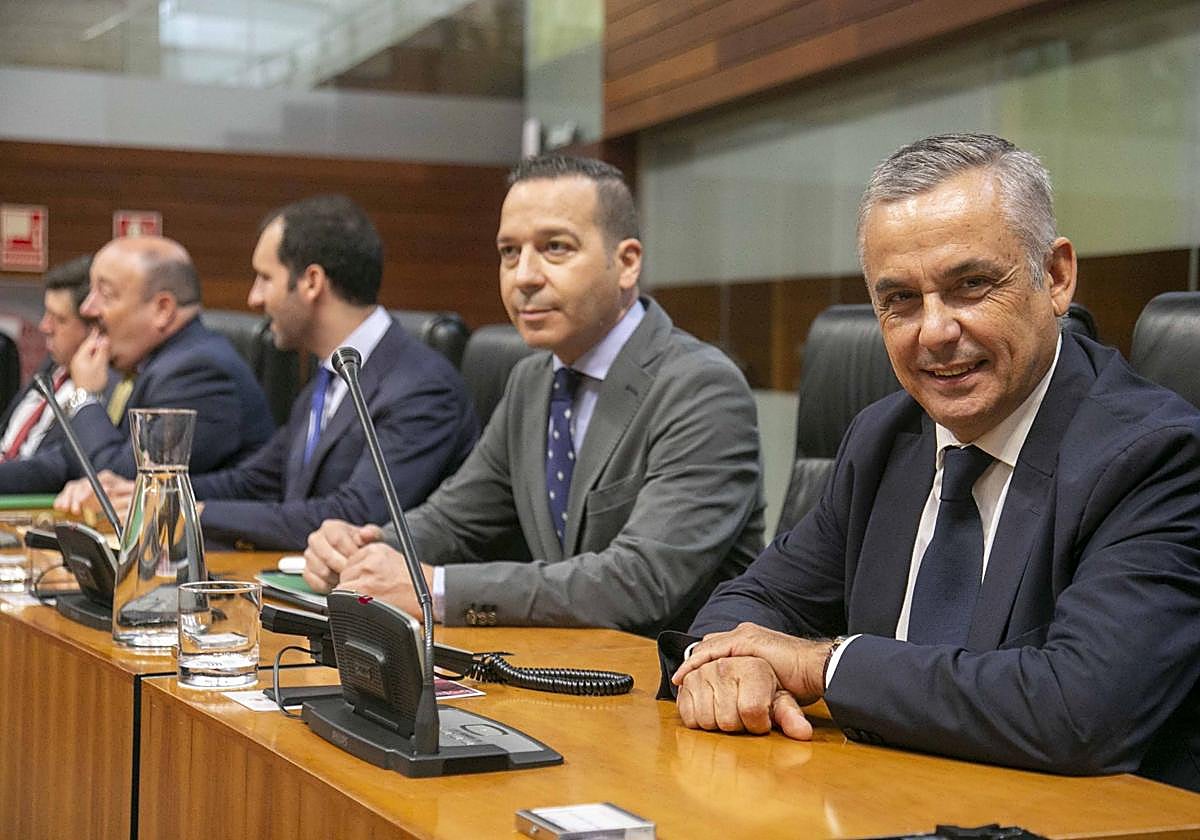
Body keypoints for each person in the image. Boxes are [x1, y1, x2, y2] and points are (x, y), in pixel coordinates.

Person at [665, 133, 1200, 792]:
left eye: (971, 284)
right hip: (875, 804)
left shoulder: (1156, 456)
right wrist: (722, 663)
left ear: (1056, 277)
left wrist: (824, 666)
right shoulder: (885, 437)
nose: (935, 331)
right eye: (901, 300)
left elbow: (1081, 709)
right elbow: (755, 600)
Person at [304, 155, 764, 635]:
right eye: (508, 252)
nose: (523, 276)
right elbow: (456, 520)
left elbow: (639, 581)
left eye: (555, 247)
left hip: (672, 689)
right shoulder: (532, 379)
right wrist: (364, 548)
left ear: (626, 263)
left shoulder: (702, 387)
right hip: (561, 672)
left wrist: (433, 587)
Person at [60, 196, 480, 551]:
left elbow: (356, 515)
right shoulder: (328, 374)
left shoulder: (422, 386)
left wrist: (190, 511)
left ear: (311, 282)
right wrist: (160, 493)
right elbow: (257, 480)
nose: (254, 297)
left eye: (265, 278)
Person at [0, 235, 274, 493]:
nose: (87, 309)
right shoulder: (153, 362)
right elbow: (67, 459)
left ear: (162, 309)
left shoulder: (198, 371)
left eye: (105, 295)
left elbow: (117, 481)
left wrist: (85, 396)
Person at [0, 256, 114, 463]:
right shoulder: (52, 366)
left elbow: (53, 468)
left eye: (59, 319)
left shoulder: (106, 388)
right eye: (46, 313)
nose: (44, 326)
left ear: (94, 329)